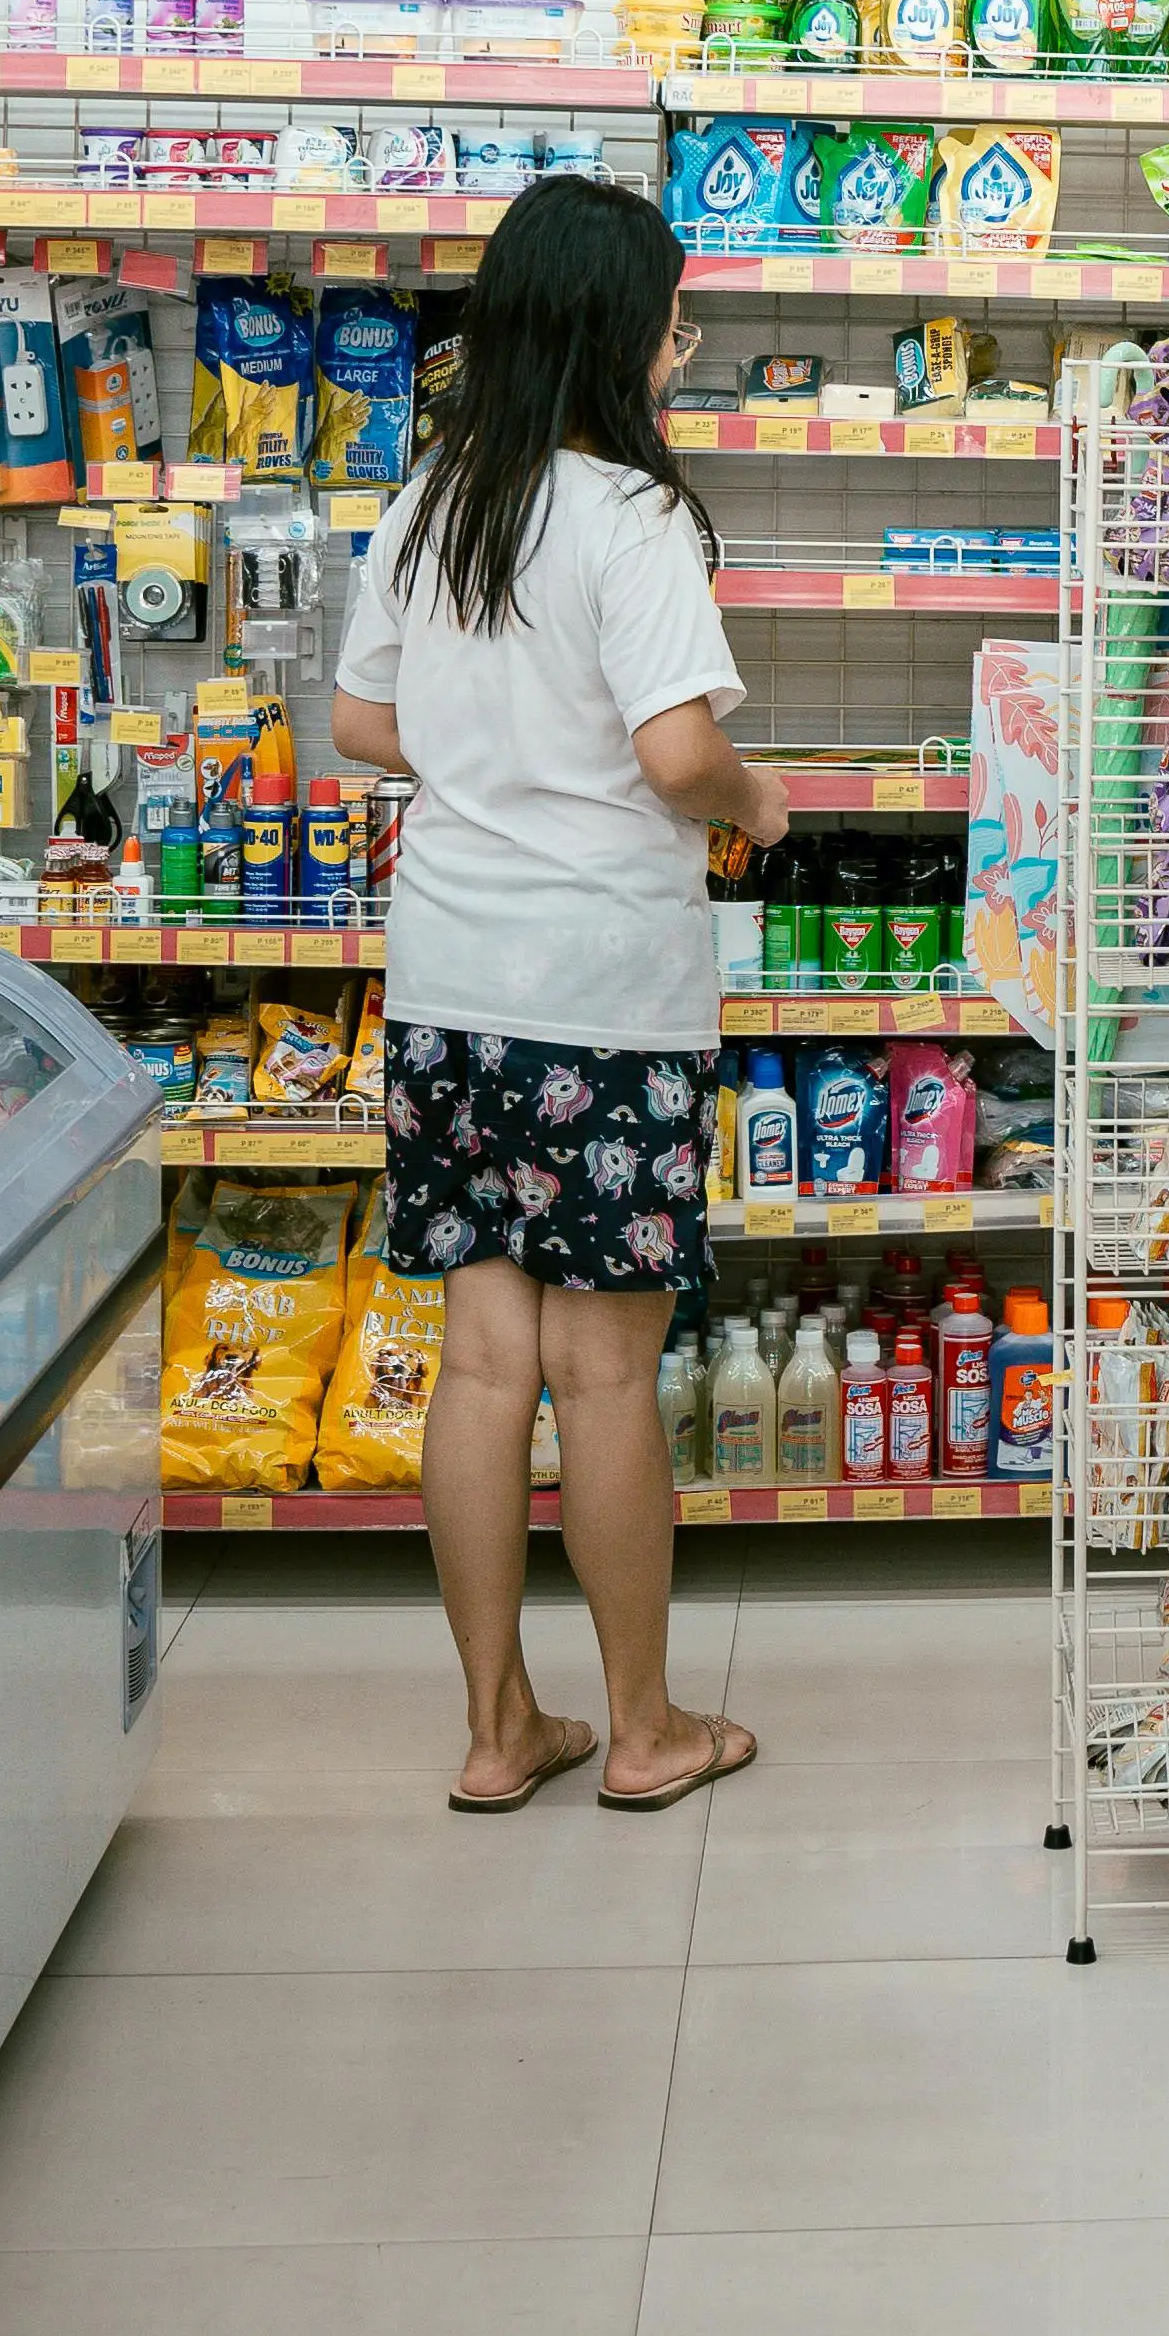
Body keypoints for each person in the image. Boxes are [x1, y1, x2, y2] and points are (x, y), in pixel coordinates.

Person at [326, 171, 785, 1809]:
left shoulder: (434, 501)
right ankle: (647, 1730)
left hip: (450, 982)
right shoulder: (634, 518)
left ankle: (498, 1727)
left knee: (481, 1369)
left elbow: (363, 728)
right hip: (600, 993)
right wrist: (756, 801)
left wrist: (492, 748)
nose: (688, 339)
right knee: (604, 1378)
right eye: (674, 313)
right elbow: (676, 752)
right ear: (610, 327)